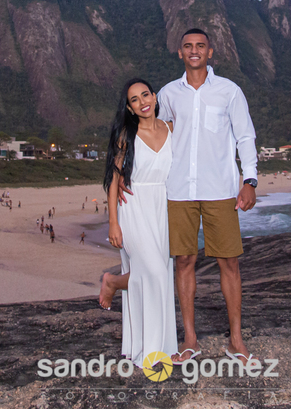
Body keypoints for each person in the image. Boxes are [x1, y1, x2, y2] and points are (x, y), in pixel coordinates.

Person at [157, 28, 259, 364]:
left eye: (200, 45)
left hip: (220, 191)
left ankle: (236, 340)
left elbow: (245, 137)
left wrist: (251, 180)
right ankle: (189, 339)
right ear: (180, 53)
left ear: (210, 52)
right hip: (179, 190)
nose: (194, 51)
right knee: (184, 262)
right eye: (188, 46)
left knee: (229, 263)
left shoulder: (229, 91)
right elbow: (157, 138)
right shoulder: (169, 94)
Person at [97, 78, 178, 366]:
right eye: (134, 99)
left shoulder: (171, 129)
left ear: (155, 97)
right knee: (154, 273)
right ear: (130, 108)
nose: (142, 101)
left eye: (145, 94)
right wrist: (113, 223)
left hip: (163, 208)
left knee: (160, 274)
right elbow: (114, 180)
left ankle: (159, 348)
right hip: (132, 206)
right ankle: (150, 352)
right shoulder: (125, 135)